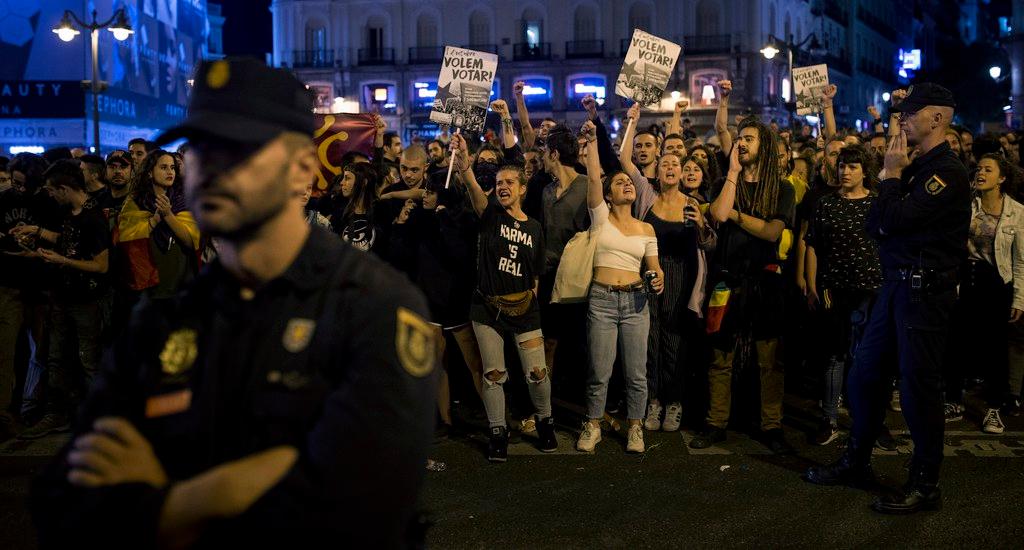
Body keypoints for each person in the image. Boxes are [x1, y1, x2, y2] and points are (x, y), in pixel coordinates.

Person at [31, 57, 438, 548]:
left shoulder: (374, 306)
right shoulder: (168, 320)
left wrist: (172, 502)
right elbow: (62, 502)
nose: (211, 169)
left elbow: (364, 508)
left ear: (301, 169)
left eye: (241, 151)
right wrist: (247, 483)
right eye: (200, 149)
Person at [805, 83, 970, 515]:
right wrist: (894, 180)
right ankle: (856, 461)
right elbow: (876, 224)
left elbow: (892, 219)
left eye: (912, 113)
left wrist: (893, 177)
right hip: (896, 285)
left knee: (918, 389)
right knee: (865, 376)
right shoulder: (915, 165)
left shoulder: (946, 172)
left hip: (924, 291)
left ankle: (925, 483)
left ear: (938, 118)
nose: (904, 120)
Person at [450, 133, 556, 462]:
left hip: (524, 308)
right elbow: (473, 189)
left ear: (523, 189)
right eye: (499, 182)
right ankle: (498, 432)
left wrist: (529, 298)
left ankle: (545, 421)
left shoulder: (535, 228)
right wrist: (464, 162)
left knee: (537, 373)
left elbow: (536, 273)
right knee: (493, 374)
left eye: (510, 182)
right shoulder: (490, 215)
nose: (503, 186)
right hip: (487, 308)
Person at [694, 117, 796, 454]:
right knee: (720, 356)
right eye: (740, 138)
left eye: (749, 138)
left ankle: (772, 425)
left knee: (770, 359)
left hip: (766, 282)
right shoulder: (726, 182)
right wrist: (734, 174)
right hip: (727, 281)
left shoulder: (782, 188)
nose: (741, 143)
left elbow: (771, 232)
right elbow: (719, 215)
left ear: (763, 146)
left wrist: (739, 217)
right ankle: (716, 423)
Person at [576, 121, 663, 454]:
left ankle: (635, 427)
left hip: (637, 302)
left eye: (629, 181)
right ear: (609, 196)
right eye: (620, 182)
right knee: (599, 371)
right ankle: (593, 424)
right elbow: (594, 177)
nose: (627, 183)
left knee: (636, 373)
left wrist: (657, 279)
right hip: (602, 301)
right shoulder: (600, 218)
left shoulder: (646, 229)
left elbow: (654, 269)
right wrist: (592, 141)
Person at [12, 161, 111, 440]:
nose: (50, 195)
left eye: (52, 190)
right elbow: (68, 238)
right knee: (56, 359)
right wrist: (37, 234)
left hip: (86, 301)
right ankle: (57, 415)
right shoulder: (71, 212)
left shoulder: (94, 218)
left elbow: (101, 265)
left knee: (88, 361)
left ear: (65, 189)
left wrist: (62, 260)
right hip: (62, 296)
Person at [804, 145, 882, 445]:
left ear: (864, 171)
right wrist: (811, 284)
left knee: (868, 356)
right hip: (833, 288)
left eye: (852, 167)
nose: (845, 172)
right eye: (842, 166)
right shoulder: (826, 203)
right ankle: (829, 418)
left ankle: (870, 419)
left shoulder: (877, 203)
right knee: (834, 354)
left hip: (870, 289)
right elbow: (812, 244)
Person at [943, 153, 1024, 434]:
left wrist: (1019, 298)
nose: (981, 173)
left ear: (1002, 178)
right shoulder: (967, 205)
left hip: (996, 283)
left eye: (988, 170)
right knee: (956, 342)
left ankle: (993, 408)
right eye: (979, 169)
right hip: (966, 278)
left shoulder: (1016, 212)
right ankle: (953, 400)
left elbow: (1020, 260)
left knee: (995, 348)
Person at [115, 149, 201, 300]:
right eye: (163, 167)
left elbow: (190, 241)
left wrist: (167, 214)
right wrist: (153, 221)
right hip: (147, 285)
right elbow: (126, 238)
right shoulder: (135, 202)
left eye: (172, 167)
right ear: (149, 172)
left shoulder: (184, 200)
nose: (170, 172)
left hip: (180, 280)